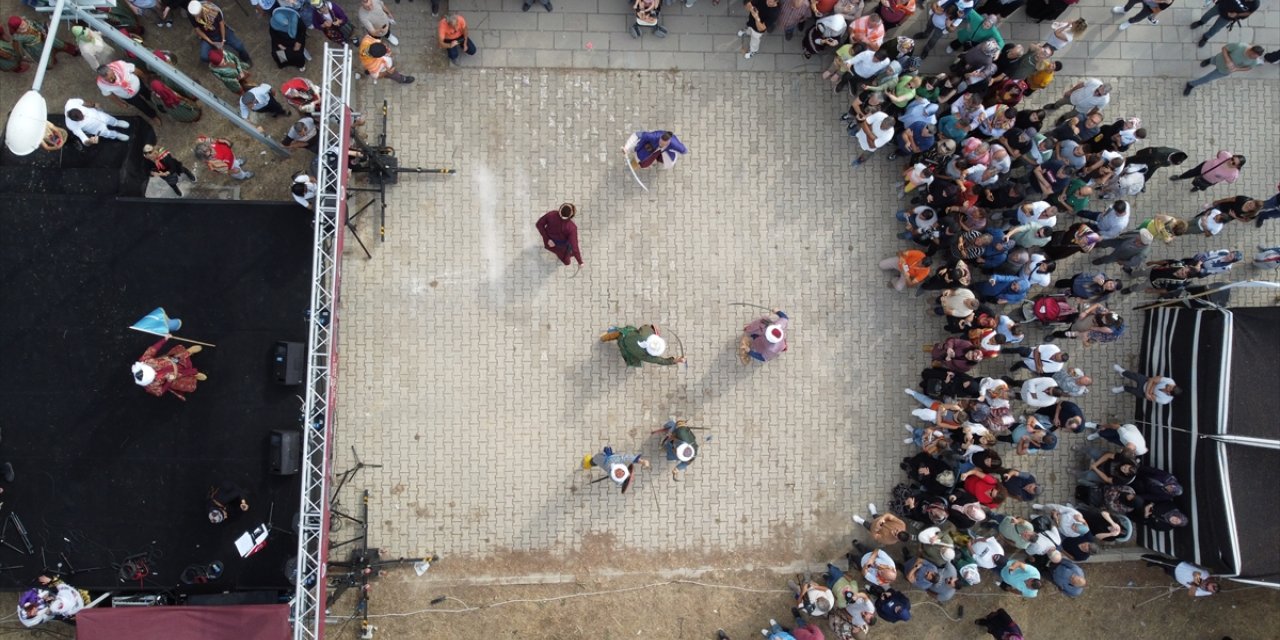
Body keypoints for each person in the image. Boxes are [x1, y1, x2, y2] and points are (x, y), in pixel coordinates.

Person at [132, 337, 207, 400]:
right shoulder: (151, 386)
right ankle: (195, 376)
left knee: (179, 356)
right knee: (181, 381)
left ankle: (189, 352)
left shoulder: (144, 360)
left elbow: (152, 349)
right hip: (173, 376)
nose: (155, 372)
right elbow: (160, 392)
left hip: (170, 361)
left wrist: (165, 339)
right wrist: (169, 381)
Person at [1184, 44, 1265, 96]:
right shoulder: (1239, 46)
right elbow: (1224, 48)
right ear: (1250, 50)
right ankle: (1209, 60)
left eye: (1255, 57)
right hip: (1219, 59)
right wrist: (1228, 61)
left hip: (1225, 70)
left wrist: (1237, 69)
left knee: (1208, 78)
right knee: (1213, 60)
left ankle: (1191, 84)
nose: (1253, 58)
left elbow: (1249, 67)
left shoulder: (1255, 60)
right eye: (1252, 55)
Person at [96, 60, 161, 124]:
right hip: (129, 97)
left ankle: (153, 101)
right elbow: (109, 95)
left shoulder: (120, 65)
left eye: (112, 76)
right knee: (142, 106)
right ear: (103, 78)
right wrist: (119, 103)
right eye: (108, 80)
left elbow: (135, 70)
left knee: (147, 93)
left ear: (112, 70)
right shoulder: (101, 83)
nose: (111, 80)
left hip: (138, 85)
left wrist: (144, 77)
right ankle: (153, 116)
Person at [188, 1, 253, 64]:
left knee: (239, 46)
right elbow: (198, 30)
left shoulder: (213, 10)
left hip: (221, 31)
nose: (195, 17)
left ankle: (245, 58)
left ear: (201, 10)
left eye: (197, 15)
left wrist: (223, 40)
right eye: (194, 15)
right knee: (204, 57)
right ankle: (220, 62)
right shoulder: (191, 15)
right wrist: (211, 42)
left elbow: (221, 25)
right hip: (208, 36)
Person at [599, 324, 684, 367]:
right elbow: (660, 361)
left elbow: (645, 326)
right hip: (625, 348)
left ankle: (603, 338)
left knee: (615, 334)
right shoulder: (647, 356)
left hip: (623, 336)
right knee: (634, 361)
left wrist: (654, 331)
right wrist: (675, 361)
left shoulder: (646, 332)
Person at [1141, 555, 1220, 596]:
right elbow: (1196, 573)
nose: (1205, 586)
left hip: (1177, 576)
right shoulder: (1205, 574)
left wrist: (1195, 585)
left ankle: (1156, 563)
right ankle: (1147, 557)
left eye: (1206, 588)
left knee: (1165, 569)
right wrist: (1196, 584)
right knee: (1163, 561)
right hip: (1179, 566)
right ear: (1211, 580)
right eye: (1207, 584)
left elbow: (1191, 594)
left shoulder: (1208, 592)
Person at [1190, 0, 1259, 47]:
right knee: (1208, 15)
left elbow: (1248, 13)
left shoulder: (1255, 4)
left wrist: (1237, 15)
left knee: (1216, 28)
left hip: (1228, 17)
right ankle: (1201, 22)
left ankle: (1205, 37)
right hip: (1221, 7)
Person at [1169, 150, 1245, 192]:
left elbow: (1230, 181)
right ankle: (1180, 177)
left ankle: (1197, 187)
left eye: (1234, 163)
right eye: (1232, 159)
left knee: (1200, 185)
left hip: (1209, 180)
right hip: (1203, 167)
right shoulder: (1226, 155)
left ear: (1238, 166)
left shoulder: (1233, 174)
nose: (1231, 162)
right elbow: (1219, 153)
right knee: (1191, 172)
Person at [63, 98, 131, 146]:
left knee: (110, 118)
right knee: (108, 133)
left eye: (82, 115)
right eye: (81, 119)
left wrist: (94, 105)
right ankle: (116, 135)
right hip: (97, 129)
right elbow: (84, 141)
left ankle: (117, 122)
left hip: (99, 115)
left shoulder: (71, 102)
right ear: (74, 120)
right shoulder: (71, 125)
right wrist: (90, 141)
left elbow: (84, 103)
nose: (84, 117)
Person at [1111, 364, 1178, 404]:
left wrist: (1153, 384)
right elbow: (1152, 379)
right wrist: (1150, 391)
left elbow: (1150, 397)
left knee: (1133, 391)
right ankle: (1122, 371)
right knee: (1134, 376)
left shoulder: (1164, 400)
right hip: (1146, 381)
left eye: (1170, 388)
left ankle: (1123, 388)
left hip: (1143, 392)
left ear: (1169, 393)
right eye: (1172, 386)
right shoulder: (1171, 382)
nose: (1170, 385)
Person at [269, 5, 309, 70]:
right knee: (276, 53)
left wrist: (299, 42)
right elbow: (273, 34)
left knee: (297, 54)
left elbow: (302, 30)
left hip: (295, 40)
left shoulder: (295, 19)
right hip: (280, 41)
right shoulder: (274, 22)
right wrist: (279, 44)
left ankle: (300, 65)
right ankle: (284, 63)